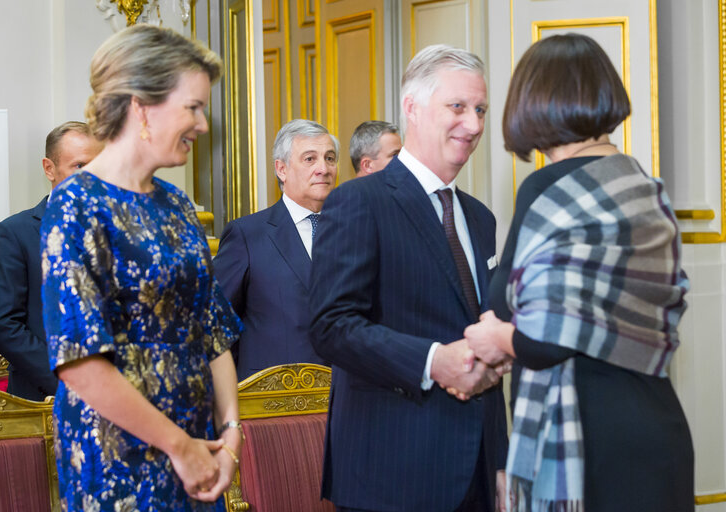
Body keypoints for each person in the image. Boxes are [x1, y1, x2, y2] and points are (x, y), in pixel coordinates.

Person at [463, 33, 694, 512]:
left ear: (534, 104)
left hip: (587, 442)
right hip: (658, 429)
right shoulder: (648, 190)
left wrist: (494, 338)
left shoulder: (547, 188)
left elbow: (541, 336)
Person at [40, 24, 243, 511]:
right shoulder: (76, 206)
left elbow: (211, 330)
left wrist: (231, 434)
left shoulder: (177, 204)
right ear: (141, 106)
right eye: (192, 107)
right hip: (119, 459)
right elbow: (81, 364)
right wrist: (179, 447)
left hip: (199, 452)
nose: (202, 124)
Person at [310, 45, 509, 512]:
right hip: (390, 478)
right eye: (457, 107)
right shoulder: (360, 201)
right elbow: (330, 326)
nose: (475, 125)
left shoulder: (481, 220)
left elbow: (486, 346)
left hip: (477, 477)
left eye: (480, 109)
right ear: (412, 108)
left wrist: (500, 462)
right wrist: (432, 360)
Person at [213, 119, 337, 380]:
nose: (323, 169)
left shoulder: (354, 232)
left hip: (342, 398)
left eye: (330, 158)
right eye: (309, 159)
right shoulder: (247, 235)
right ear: (281, 169)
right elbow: (217, 325)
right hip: (270, 400)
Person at [0, 121, 103, 401]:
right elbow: (6, 326)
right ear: (49, 168)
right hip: (44, 399)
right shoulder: (15, 233)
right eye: (79, 166)